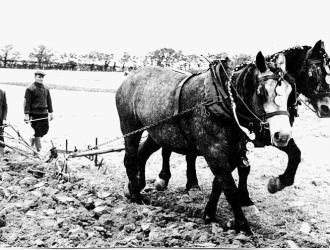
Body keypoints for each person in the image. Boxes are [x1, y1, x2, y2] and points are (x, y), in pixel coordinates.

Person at [24, 70, 53, 152]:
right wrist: (26, 115)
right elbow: (27, 103)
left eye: (42, 77)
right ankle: (38, 150)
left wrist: (51, 112)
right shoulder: (30, 88)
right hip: (34, 114)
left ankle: (32, 142)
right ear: (35, 77)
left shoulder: (46, 88)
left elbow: (49, 100)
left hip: (44, 113)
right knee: (37, 132)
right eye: (39, 77)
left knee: (45, 130)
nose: (41, 79)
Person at [0, 88, 8, 156]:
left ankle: (2, 156)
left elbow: (5, 107)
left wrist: (4, 119)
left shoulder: (2, 92)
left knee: (1, 137)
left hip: (0, 120)